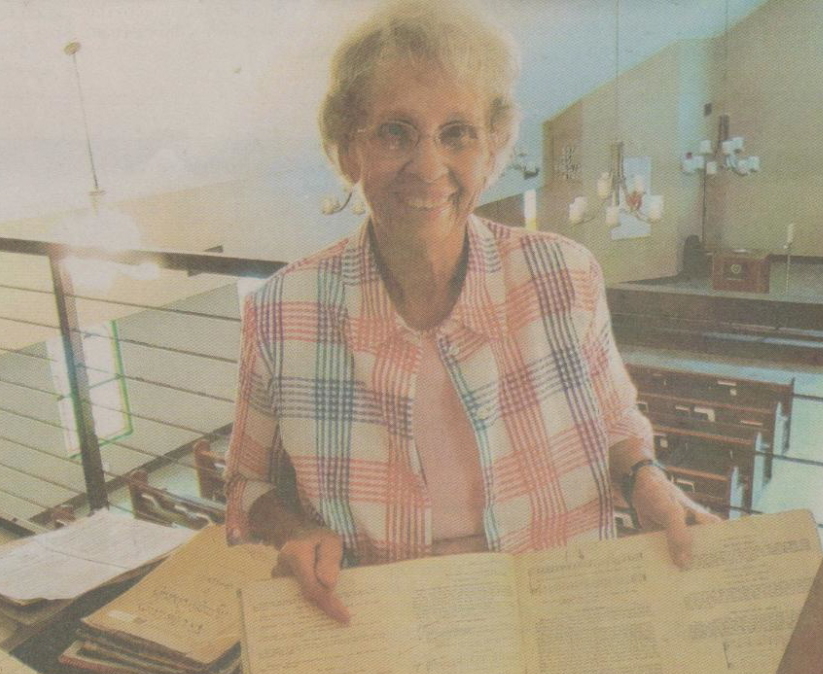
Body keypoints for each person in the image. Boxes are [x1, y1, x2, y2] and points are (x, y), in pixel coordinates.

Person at [224, 0, 717, 624]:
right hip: (379, 625)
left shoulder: (564, 275)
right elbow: (248, 487)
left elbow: (615, 422)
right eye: (395, 132)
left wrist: (645, 479)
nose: (429, 167)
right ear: (349, 151)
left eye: (457, 133)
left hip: (560, 612)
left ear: (492, 151)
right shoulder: (281, 311)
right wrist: (294, 531)